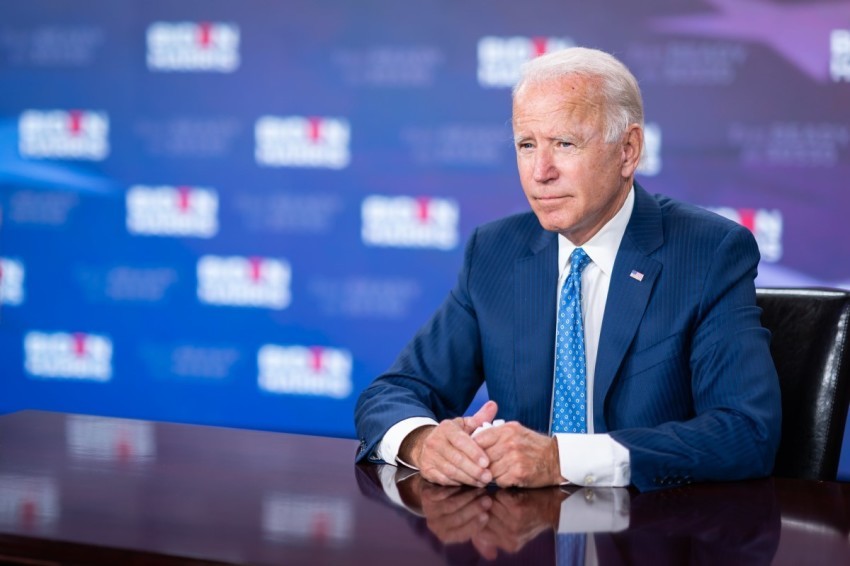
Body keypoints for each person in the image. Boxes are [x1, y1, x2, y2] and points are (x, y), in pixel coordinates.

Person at [354, 46, 782, 492]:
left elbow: (747, 432)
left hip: (650, 535)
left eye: (564, 144)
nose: (541, 172)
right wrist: (423, 442)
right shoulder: (495, 251)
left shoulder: (708, 253)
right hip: (521, 539)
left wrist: (564, 459)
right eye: (526, 145)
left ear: (628, 151)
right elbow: (391, 393)